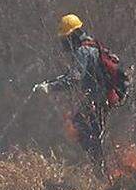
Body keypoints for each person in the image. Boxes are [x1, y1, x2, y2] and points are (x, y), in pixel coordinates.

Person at [34, 14, 128, 172]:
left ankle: (101, 171)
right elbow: (73, 74)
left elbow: (74, 79)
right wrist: (49, 83)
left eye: (65, 38)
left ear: (73, 35)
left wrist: (50, 88)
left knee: (85, 129)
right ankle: (103, 169)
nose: (64, 43)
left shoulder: (82, 51)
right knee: (92, 131)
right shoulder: (93, 46)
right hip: (104, 98)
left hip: (99, 100)